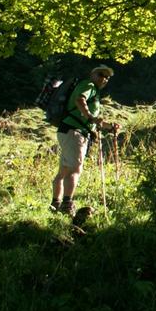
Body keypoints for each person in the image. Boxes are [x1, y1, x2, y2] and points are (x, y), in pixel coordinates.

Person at [50, 65, 121, 215]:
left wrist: (110, 126)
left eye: (107, 77)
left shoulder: (93, 91)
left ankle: (55, 204)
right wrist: (90, 116)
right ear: (93, 74)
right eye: (101, 74)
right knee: (75, 169)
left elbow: (93, 120)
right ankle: (67, 205)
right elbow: (79, 100)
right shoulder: (88, 85)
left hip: (68, 130)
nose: (104, 78)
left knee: (64, 170)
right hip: (75, 132)